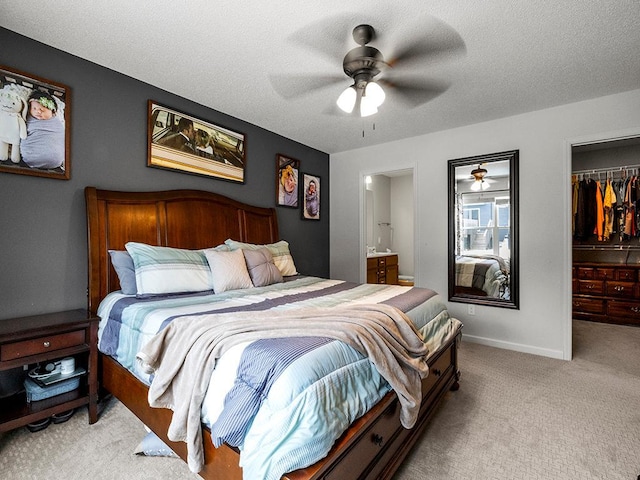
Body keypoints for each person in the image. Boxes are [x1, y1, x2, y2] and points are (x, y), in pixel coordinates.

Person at [20, 90, 65, 169]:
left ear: (53, 111)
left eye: (43, 109)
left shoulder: (56, 122)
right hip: (31, 157)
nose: (38, 111)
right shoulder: (28, 119)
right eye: (34, 108)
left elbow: (62, 136)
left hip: (56, 160)